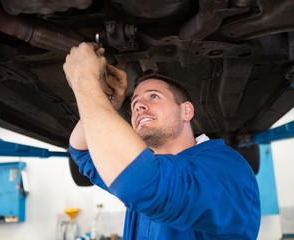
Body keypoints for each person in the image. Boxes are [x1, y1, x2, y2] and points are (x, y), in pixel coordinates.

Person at [63, 42, 261, 239]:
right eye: (134, 103)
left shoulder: (227, 166)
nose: (139, 105)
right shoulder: (147, 168)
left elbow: (146, 183)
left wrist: (84, 81)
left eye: (154, 96)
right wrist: (107, 101)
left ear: (186, 110)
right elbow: (83, 151)